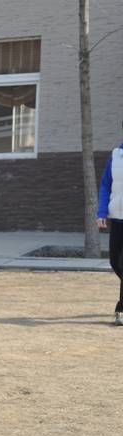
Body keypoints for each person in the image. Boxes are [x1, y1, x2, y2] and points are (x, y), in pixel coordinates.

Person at [97, 120, 123, 326]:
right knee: (115, 261)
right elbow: (106, 184)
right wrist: (101, 211)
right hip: (117, 218)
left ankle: (121, 308)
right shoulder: (115, 155)